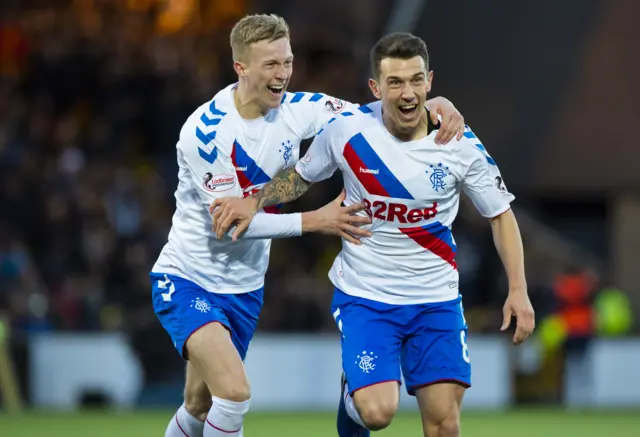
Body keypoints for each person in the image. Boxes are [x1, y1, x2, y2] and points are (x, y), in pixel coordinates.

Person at [151, 14, 466, 437]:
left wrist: (433, 106)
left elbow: (371, 115)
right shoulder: (206, 133)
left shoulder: (299, 109)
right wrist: (316, 220)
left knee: (198, 403)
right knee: (234, 393)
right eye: (271, 65)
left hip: (243, 288)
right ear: (241, 69)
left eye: (287, 62)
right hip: (189, 278)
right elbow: (230, 226)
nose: (283, 74)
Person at [212, 32, 535, 437]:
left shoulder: (459, 143)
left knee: (445, 426)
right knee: (377, 413)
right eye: (395, 83)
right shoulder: (348, 131)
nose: (407, 93)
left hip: (435, 300)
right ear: (375, 87)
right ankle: (354, 393)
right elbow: (300, 178)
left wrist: (518, 290)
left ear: (430, 81)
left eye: (416, 80)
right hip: (367, 297)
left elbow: (501, 215)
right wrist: (254, 200)